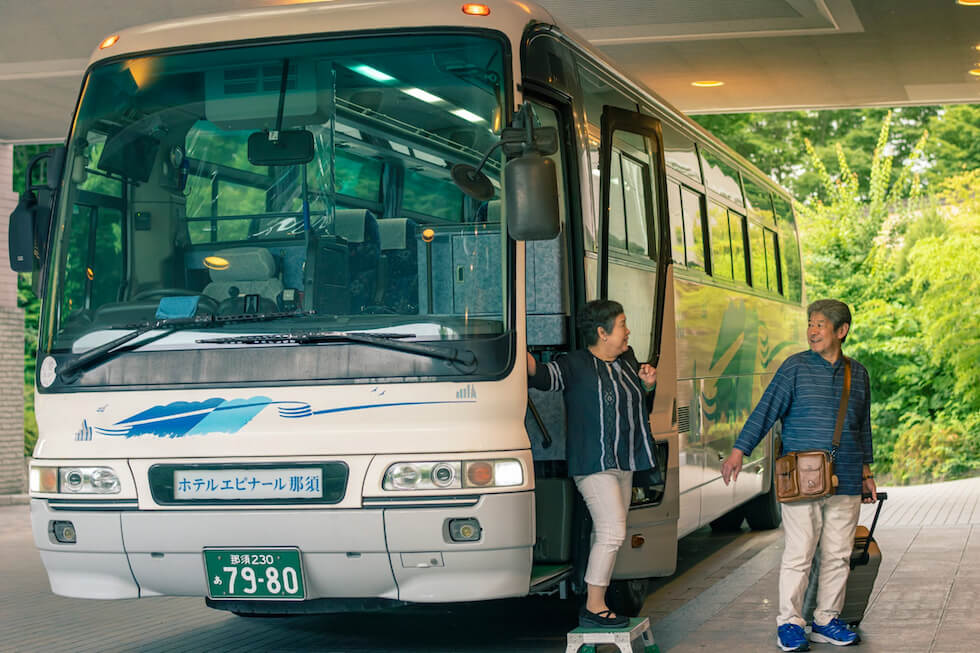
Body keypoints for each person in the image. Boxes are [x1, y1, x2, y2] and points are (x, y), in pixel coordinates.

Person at [721, 299, 877, 652]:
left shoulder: (859, 373)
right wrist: (738, 451)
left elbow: (862, 426)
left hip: (848, 475)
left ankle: (826, 620)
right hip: (800, 476)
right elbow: (766, 410)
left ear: (842, 331)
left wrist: (867, 470)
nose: (812, 330)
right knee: (799, 552)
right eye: (810, 323)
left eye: (820, 324)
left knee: (838, 553)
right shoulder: (794, 368)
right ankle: (790, 623)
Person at [527, 299, 658, 629]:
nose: (628, 331)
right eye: (622, 324)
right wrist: (517, 349)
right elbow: (542, 377)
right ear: (602, 332)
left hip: (624, 459)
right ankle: (594, 605)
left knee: (612, 531)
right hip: (592, 463)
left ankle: (596, 602)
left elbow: (640, 403)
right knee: (612, 531)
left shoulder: (627, 360)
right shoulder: (573, 364)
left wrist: (648, 384)